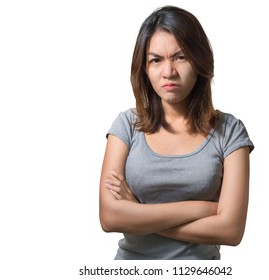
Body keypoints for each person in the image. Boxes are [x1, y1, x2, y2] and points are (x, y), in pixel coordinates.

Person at [99, 5, 254, 260]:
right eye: (156, 60)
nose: (168, 72)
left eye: (180, 57)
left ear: (199, 60)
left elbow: (231, 231)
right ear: (145, 68)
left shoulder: (230, 132)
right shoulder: (126, 125)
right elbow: (110, 217)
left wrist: (138, 213)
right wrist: (202, 209)